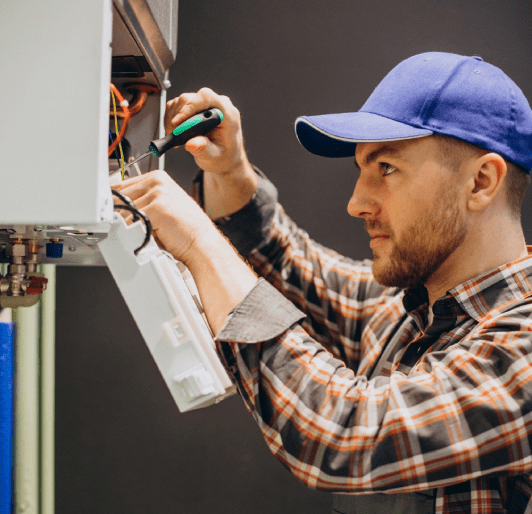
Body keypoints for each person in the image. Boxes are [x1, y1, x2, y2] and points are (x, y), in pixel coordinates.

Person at [113, 52, 532, 514]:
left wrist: (198, 241)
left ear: (481, 182)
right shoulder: (411, 309)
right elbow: (292, 265)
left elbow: (344, 433)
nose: (356, 203)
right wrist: (229, 172)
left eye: (386, 168)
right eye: (361, 170)